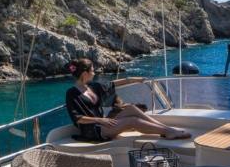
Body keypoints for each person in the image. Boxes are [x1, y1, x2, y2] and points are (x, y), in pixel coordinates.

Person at [63, 58, 191, 142]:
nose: (94, 73)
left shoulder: (93, 87)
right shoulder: (71, 93)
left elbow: (113, 83)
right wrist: (99, 119)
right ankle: (168, 132)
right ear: (85, 74)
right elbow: (77, 118)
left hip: (104, 124)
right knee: (132, 121)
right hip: (94, 130)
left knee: (131, 108)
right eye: (92, 71)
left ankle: (166, 129)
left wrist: (132, 79)